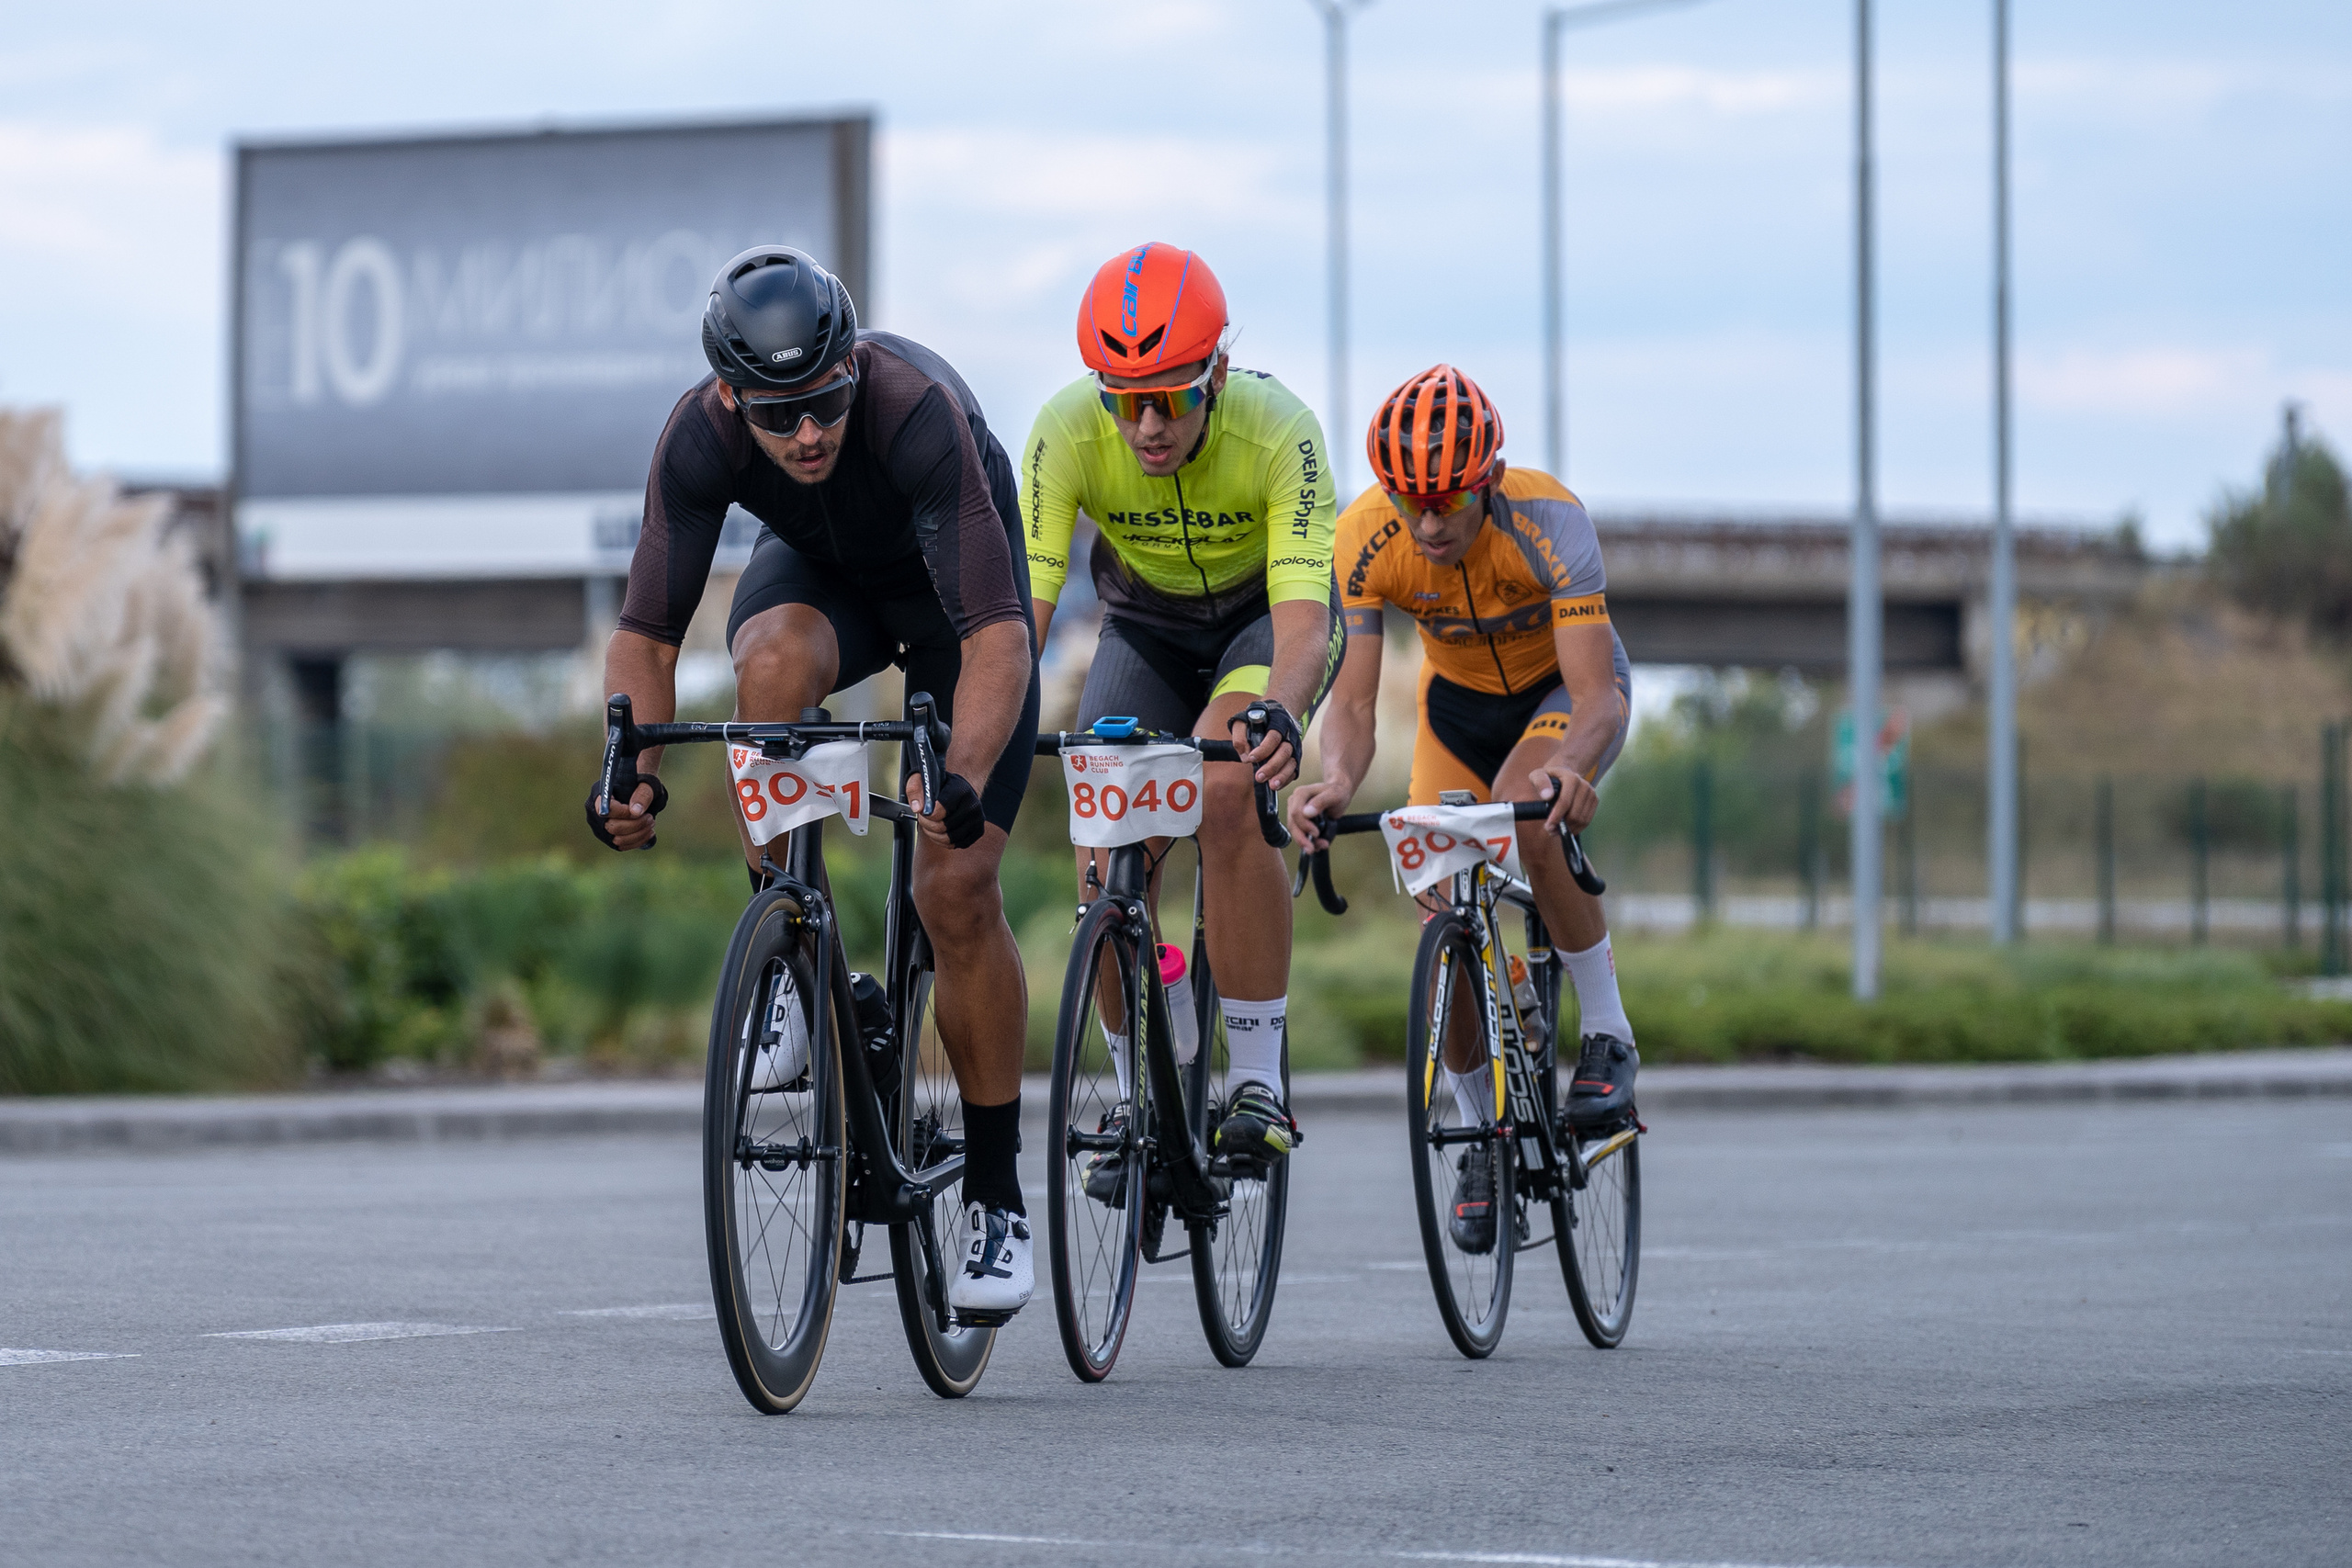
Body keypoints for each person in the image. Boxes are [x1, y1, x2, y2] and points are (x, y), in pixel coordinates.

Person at [590, 246, 1039, 1323]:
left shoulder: (914, 409)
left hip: (956, 607)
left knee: (954, 887)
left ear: (852, 365)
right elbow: (646, 634)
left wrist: (962, 780)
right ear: (729, 396)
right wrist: (628, 771)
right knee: (768, 669)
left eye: (826, 400)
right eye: (777, 413)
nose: (806, 433)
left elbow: (999, 644)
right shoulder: (697, 437)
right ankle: (798, 950)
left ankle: (997, 1199)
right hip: (826, 579)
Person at [1285, 365, 1637, 1253]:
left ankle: (1606, 1031)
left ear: (1487, 480)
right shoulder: (1366, 535)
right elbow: (1358, 707)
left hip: (1559, 698)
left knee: (1527, 811)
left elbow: (1600, 698)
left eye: (1447, 503)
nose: (1429, 524)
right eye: (1413, 502)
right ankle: (1484, 1134)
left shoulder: (1550, 520)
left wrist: (1571, 766)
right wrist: (1334, 779)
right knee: (1439, 908)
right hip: (1456, 715)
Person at [1021, 242, 1341, 1173]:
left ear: (1218, 374)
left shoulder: (1278, 431)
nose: (1149, 424)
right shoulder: (1064, 431)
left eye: (1173, 396)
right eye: (1126, 401)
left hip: (1262, 629)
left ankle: (1257, 1082)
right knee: (1103, 839)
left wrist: (1281, 713)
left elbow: (1302, 623)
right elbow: (1022, 618)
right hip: (1148, 628)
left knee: (1224, 781)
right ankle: (1141, 1093)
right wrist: (985, 718)